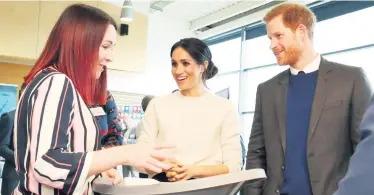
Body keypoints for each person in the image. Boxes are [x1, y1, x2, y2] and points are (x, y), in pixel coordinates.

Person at [13, 4, 173, 195]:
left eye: (113, 48)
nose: (110, 57)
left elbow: (65, 154)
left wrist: (97, 168)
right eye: (105, 47)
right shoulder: (57, 82)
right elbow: (47, 165)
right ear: (79, 42)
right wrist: (125, 154)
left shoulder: (56, 83)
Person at [244, 3, 372, 195]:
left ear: (301, 32)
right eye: (270, 38)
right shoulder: (266, 90)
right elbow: (256, 154)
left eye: (278, 36)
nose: (272, 45)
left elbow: (366, 150)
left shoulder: (351, 79)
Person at [137, 38, 242, 182]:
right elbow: (140, 156)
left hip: (208, 189)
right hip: (165, 186)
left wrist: (192, 170)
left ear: (203, 66)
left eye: (186, 63)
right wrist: (165, 167)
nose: (178, 71)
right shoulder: (157, 105)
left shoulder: (225, 107)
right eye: (174, 64)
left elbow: (234, 166)